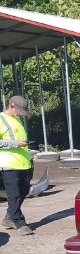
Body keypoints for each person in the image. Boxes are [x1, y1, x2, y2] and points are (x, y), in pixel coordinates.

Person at [0, 96, 34, 235]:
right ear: (11, 105)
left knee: (24, 191)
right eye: (18, 110)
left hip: (23, 162)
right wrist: (15, 144)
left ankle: (9, 217)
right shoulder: (1, 119)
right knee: (13, 195)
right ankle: (18, 222)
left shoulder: (17, 119)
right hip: (8, 163)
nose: (20, 114)